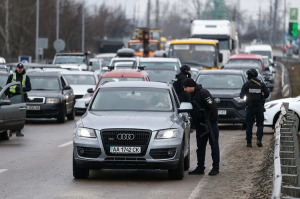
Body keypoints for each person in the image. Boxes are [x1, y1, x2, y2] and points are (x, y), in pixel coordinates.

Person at [183, 78, 220, 176]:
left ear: (191, 86)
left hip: (210, 123)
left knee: (214, 145)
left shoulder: (203, 93)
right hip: (200, 125)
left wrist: (211, 122)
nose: (184, 90)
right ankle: (200, 167)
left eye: (186, 87)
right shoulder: (191, 95)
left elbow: (213, 108)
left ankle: (215, 167)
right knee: (200, 147)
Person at [240, 69, 269, 147]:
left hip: (250, 107)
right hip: (259, 107)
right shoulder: (261, 84)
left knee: (249, 124)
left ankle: (249, 143)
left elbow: (241, 96)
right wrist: (261, 97)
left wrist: (248, 95)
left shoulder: (247, 84)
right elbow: (267, 94)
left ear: (250, 75)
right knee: (260, 124)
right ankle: (259, 139)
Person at [6, 63, 31, 137]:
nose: (20, 69)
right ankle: (9, 131)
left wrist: (21, 89)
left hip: (21, 97)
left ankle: (18, 131)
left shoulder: (26, 77)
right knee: (10, 113)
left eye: (21, 68)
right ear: (16, 68)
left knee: (20, 114)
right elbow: (7, 86)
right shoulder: (11, 76)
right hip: (12, 96)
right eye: (19, 68)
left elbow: (29, 88)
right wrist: (5, 96)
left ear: (23, 69)